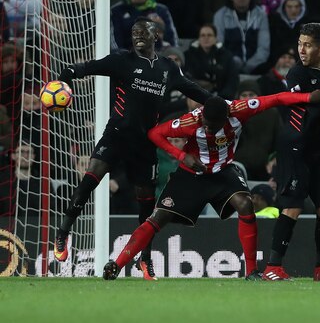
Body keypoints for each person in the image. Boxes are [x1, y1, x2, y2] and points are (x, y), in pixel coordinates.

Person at [102, 89, 320, 281]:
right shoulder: (191, 121)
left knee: (245, 203)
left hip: (223, 172)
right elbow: (156, 133)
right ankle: (117, 264)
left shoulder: (241, 110)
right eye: (206, 125)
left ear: (226, 117)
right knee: (159, 217)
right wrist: (182, 156)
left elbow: (276, 98)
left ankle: (251, 272)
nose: (208, 129)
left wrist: (308, 97)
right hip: (191, 173)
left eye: (212, 126)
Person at [53, 17, 210, 280]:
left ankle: (145, 259)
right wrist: (63, 80)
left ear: (155, 35)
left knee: (146, 206)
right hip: (116, 135)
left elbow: (194, 90)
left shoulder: (168, 68)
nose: (137, 34)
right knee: (89, 182)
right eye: (134, 31)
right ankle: (63, 233)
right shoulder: (121, 61)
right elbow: (82, 68)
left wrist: (222, 105)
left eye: (143, 31)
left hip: (145, 144)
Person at [262, 23, 320, 281]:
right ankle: (273, 266)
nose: (301, 50)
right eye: (299, 44)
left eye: (307, 45)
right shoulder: (296, 74)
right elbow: (308, 107)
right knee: (293, 206)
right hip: (296, 147)